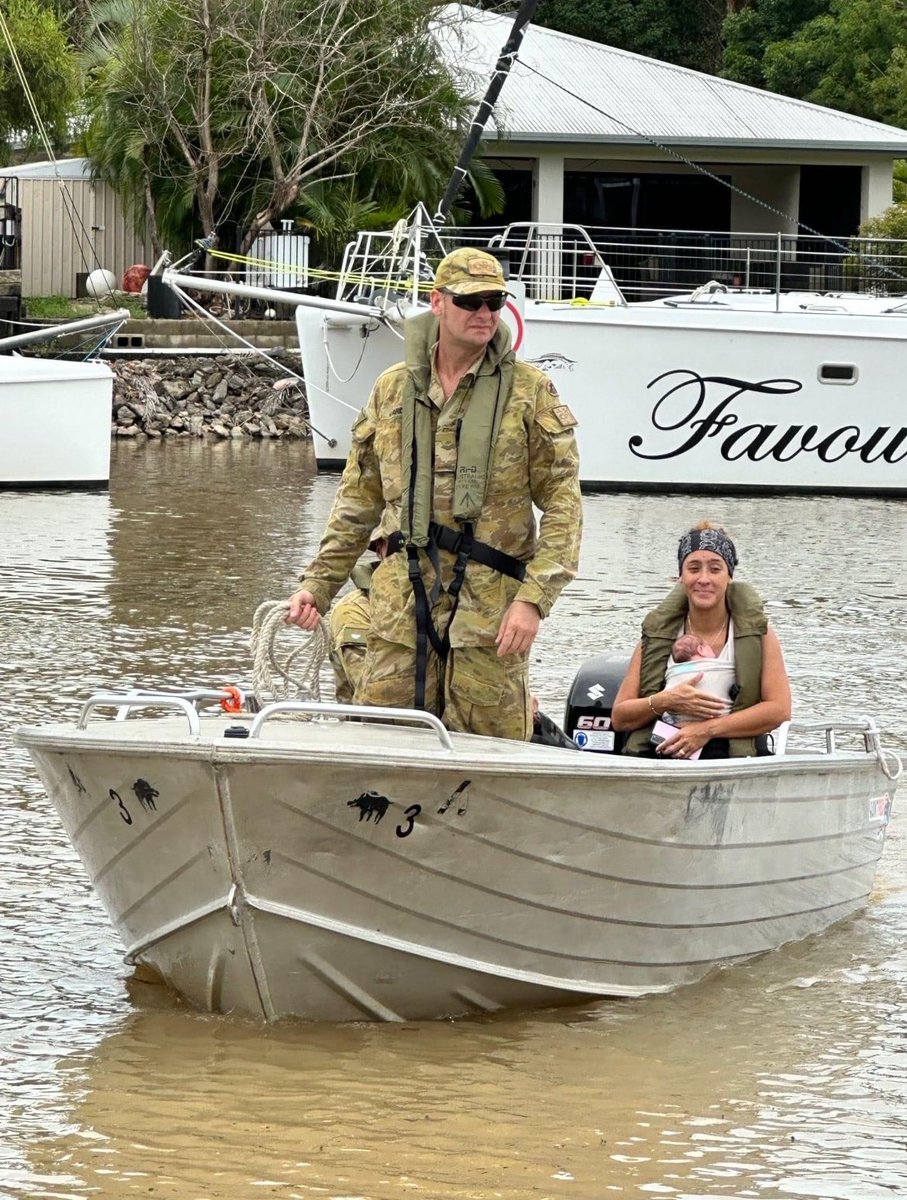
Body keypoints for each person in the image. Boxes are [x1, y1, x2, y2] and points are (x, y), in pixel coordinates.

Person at [287, 246, 583, 740]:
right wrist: (316, 586)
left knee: (491, 745)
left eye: (494, 302)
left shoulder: (531, 391)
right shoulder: (392, 389)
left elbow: (563, 504)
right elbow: (358, 502)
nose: (485, 313)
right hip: (403, 597)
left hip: (491, 609)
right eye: (471, 302)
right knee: (382, 732)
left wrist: (534, 601)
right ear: (438, 303)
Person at [611, 521, 791, 759]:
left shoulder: (760, 634)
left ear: (729, 576)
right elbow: (620, 716)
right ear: (681, 577)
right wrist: (666, 700)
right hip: (663, 753)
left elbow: (779, 710)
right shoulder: (658, 635)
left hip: (730, 758)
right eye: (694, 568)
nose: (704, 579)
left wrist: (706, 730)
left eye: (715, 569)